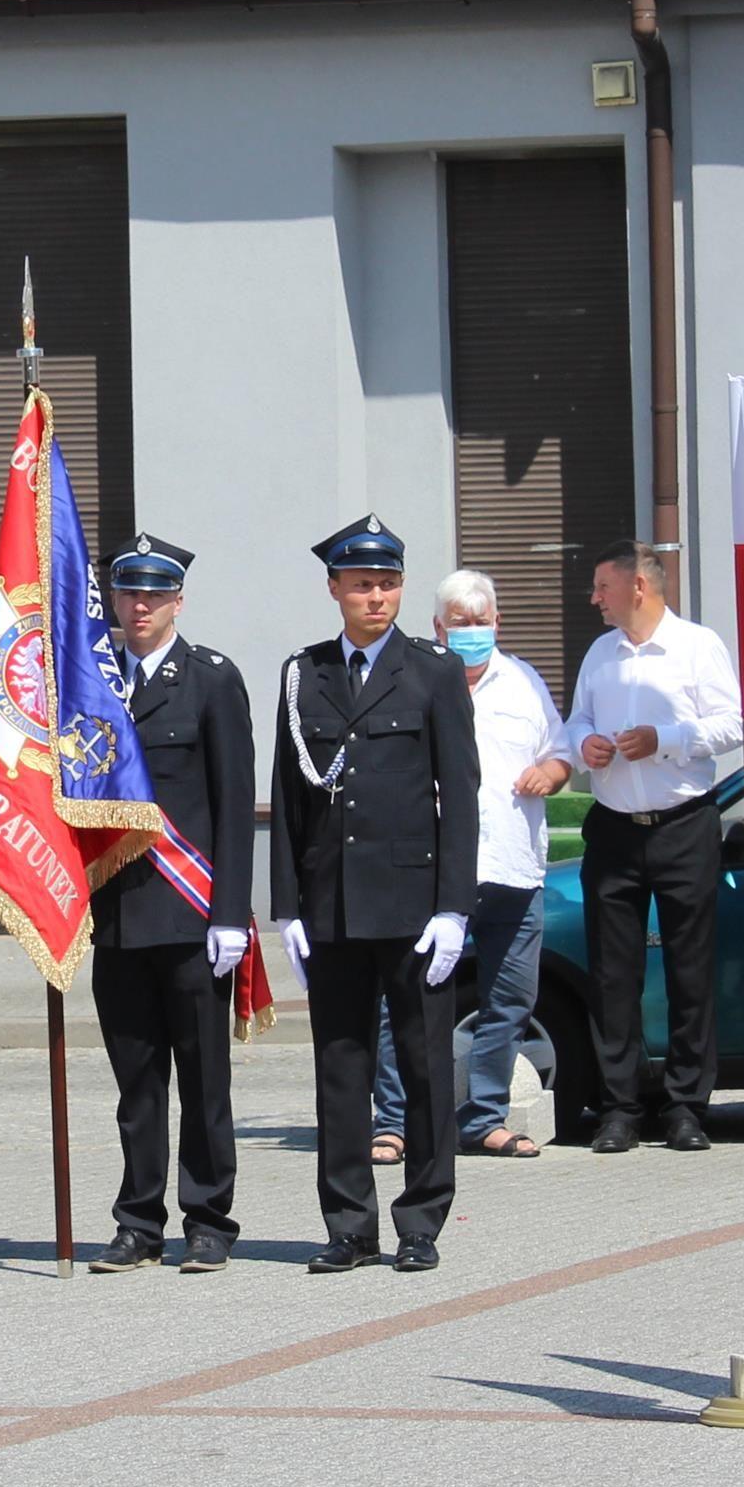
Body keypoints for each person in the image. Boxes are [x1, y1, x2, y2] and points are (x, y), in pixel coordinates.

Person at [269, 515, 479, 1273]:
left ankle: (420, 1220)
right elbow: (289, 797)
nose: (377, 596)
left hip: (414, 904)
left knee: (424, 1066)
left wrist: (455, 905)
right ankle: (348, 1225)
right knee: (341, 1068)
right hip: (333, 907)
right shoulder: (305, 673)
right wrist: (287, 906)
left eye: (388, 583)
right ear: (335, 589)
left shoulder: (434, 672)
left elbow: (461, 794)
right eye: (362, 584)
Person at [88, 536, 258, 1271]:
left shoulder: (211, 680)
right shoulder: (91, 681)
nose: (141, 605)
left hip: (190, 916)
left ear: (178, 601)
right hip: (118, 915)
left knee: (203, 1077)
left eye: (155, 594)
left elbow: (232, 803)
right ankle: (138, 1220)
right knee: (137, 1084)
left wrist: (230, 913)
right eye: (130, 593)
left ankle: (210, 1217)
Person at [556, 540, 739, 1154]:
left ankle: (687, 1106)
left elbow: (731, 724)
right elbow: (575, 720)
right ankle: (619, 1107)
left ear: (639, 587)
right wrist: (585, 746)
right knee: (613, 975)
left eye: (602, 587)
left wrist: (663, 738)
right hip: (613, 827)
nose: (594, 599)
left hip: (683, 823)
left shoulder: (697, 646)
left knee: (690, 970)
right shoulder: (600, 653)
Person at [375, 571, 560, 1164]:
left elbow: (558, 750)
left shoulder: (524, 683)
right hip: (430, 872)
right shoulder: (415, 677)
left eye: (482, 621)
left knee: (508, 1000)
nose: (473, 632)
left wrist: (552, 772)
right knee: (401, 998)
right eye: (461, 622)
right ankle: (394, 1123)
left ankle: (485, 1118)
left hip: (512, 868)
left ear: (498, 623)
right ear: (439, 627)